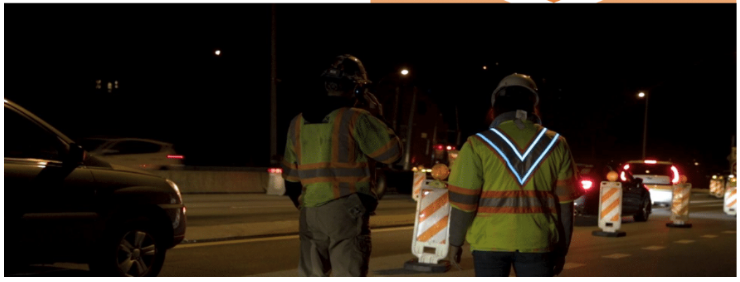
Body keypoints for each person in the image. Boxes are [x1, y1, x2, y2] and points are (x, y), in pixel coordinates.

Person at [445, 73, 581, 277]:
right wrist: (562, 249)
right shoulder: (557, 144)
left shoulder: (477, 144)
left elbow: (464, 203)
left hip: (488, 244)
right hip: (538, 243)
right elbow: (565, 205)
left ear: (495, 106)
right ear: (533, 105)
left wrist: (455, 242)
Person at [281, 54, 403, 277]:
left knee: (311, 274)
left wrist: (307, 205)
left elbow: (290, 179)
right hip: (346, 209)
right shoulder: (356, 118)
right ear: (357, 89)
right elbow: (391, 154)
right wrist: (379, 117)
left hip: (310, 211)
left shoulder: (297, 122)